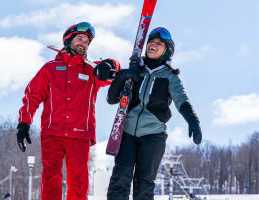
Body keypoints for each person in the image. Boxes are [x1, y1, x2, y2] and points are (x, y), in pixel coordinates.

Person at [16, 22, 121, 200]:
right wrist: (24, 123)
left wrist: (109, 65)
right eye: (79, 39)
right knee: (50, 181)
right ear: (68, 40)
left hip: (79, 135)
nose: (83, 43)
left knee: (79, 184)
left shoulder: (92, 71)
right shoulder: (50, 68)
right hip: (52, 133)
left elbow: (114, 71)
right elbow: (32, 96)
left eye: (87, 42)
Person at [106, 27, 202, 200]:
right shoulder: (136, 68)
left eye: (159, 43)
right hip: (126, 133)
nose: (153, 45)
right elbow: (112, 99)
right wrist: (121, 77)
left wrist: (193, 121)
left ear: (167, 50)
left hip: (153, 136)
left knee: (144, 184)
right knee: (120, 178)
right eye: (151, 41)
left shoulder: (170, 76)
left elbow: (182, 99)